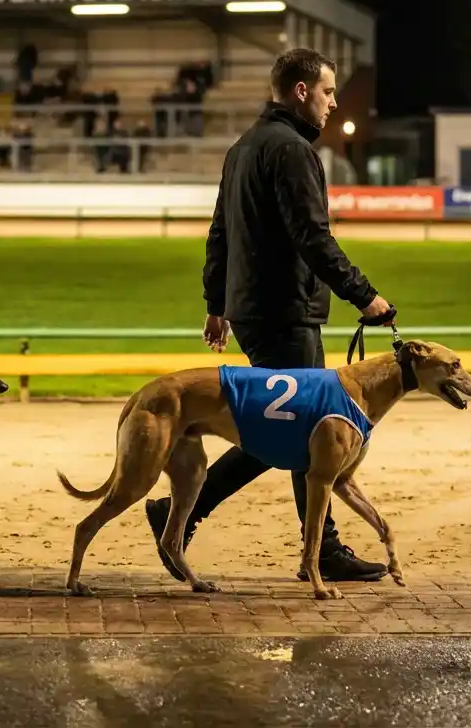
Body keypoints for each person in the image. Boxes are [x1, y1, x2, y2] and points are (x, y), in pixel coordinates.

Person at [143, 47, 395, 584]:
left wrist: (216, 305)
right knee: (304, 427)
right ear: (301, 91)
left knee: (282, 426)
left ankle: (189, 516)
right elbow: (313, 238)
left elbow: (219, 234)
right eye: (327, 92)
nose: (332, 103)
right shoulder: (293, 152)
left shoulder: (243, 148)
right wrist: (364, 296)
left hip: (255, 309)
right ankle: (317, 550)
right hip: (286, 310)